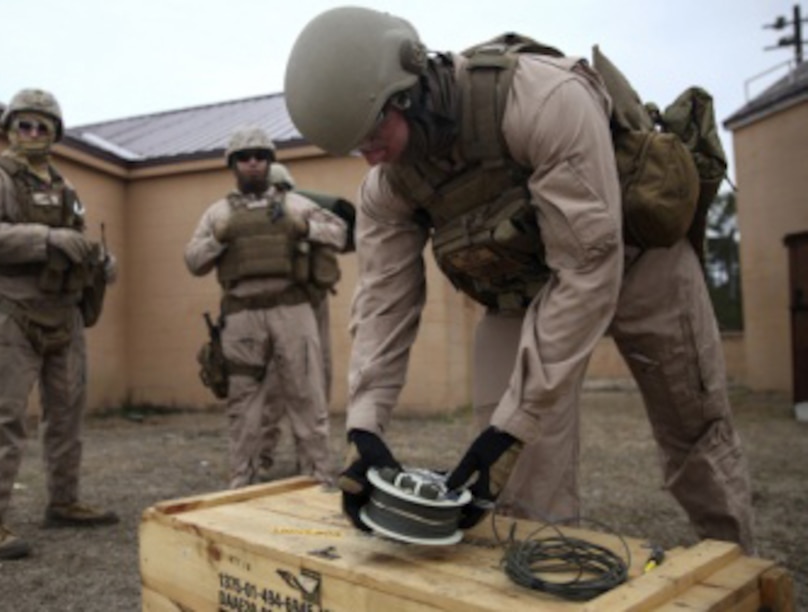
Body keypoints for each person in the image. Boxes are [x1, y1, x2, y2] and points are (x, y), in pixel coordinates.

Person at [284, 7, 755, 552]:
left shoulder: (543, 102)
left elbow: (585, 270)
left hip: (637, 260)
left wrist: (516, 419)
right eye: (353, 147)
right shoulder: (386, 185)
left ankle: (743, 574)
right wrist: (364, 430)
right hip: (522, 294)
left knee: (697, 439)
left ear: (406, 92)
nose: (368, 157)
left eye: (371, 134)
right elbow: (383, 303)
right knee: (518, 474)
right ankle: (539, 582)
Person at [0, 88, 119, 560]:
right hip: (12, 314)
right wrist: (47, 239)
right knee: (1, 419)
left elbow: (75, 242)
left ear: (55, 133)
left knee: (67, 417)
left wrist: (99, 262)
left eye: (41, 126)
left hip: (64, 315)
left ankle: (64, 500)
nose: (32, 133)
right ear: (9, 128)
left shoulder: (65, 188)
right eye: (23, 125)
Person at [184, 126, 347, 488]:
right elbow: (193, 261)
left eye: (260, 156)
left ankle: (319, 479)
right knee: (243, 405)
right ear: (234, 165)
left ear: (270, 162)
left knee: (307, 396)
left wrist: (303, 227)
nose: (253, 163)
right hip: (242, 315)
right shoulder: (218, 214)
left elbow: (341, 233)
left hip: (292, 310)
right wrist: (219, 237)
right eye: (244, 157)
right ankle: (243, 482)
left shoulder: (295, 204)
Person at [255, 163, 355, 476]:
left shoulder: (306, 214)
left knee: (314, 380)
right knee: (272, 384)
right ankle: (262, 455)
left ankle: (307, 458)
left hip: (311, 302)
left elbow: (341, 237)